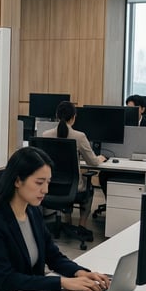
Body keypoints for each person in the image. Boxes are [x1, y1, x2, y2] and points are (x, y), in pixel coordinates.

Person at [0, 146, 110, 291]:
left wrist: (80, 272)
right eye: (39, 182)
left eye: (48, 182)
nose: (46, 190)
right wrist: (63, 283)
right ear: (18, 181)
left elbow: (53, 256)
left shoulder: (32, 212)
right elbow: (7, 280)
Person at [41, 101, 105, 241]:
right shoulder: (79, 136)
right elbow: (93, 162)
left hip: (50, 186)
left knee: (66, 184)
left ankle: (67, 221)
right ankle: (81, 226)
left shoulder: (45, 134)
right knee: (89, 188)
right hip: (73, 189)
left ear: (56, 116)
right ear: (74, 117)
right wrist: (100, 158)